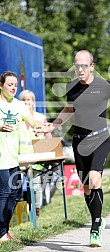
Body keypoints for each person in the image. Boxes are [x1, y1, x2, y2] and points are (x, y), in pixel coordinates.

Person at [37, 50, 110, 247]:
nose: (80, 69)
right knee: (87, 188)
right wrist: (53, 125)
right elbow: (69, 109)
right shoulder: (72, 87)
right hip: (79, 141)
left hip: (100, 138)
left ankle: (95, 226)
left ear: (91, 67)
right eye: (77, 65)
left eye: (84, 65)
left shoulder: (103, 85)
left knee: (94, 179)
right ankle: (98, 219)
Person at [0, 71, 48, 242]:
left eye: (15, 85)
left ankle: (3, 230)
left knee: (16, 193)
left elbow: (30, 119)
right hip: (0, 155)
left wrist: (42, 125)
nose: (13, 87)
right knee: (5, 191)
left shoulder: (19, 105)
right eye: (9, 84)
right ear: (1, 85)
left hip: (13, 156)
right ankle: (1, 233)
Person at [18, 90, 52, 217]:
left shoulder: (40, 117)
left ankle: (36, 211)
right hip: (19, 157)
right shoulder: (18, 118)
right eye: (24, 100)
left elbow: (48, 136)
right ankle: (21, 213)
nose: (27, 102)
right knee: (17, 186)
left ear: (33, 102)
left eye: (29, 99)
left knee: (36, 185)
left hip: (36, 157)